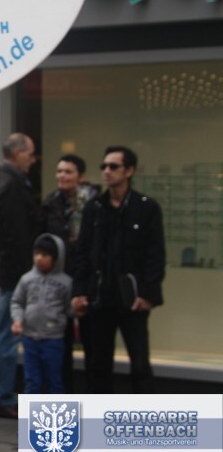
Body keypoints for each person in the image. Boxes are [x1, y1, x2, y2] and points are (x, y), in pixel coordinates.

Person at [71, 145, 165, 394]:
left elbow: (155, 255)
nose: (107, 171)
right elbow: (82, 253)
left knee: (140, 365)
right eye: (104, 166)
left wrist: (147, 293)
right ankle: (100, 415)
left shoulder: (146, 208)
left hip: (132, 299)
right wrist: (79, 292)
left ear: (129, 171)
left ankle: (144, 415)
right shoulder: (94, 207)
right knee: (98, 365)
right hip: (100, 298)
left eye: (113, 166)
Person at [0, 132, 38, 418]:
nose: (33, 159)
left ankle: (0, 394)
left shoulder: (4, 181)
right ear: (17, 153)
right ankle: (0, 396)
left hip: (11, 270)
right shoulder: (11, 185)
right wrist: (29, 273)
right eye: (30, 154)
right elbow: (18, 235)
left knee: (6, 331)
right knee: (8, 332)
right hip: (16, 272)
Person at [37, 153, 97, 390]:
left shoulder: (94, 204)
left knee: (93, 342)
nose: (62, 176)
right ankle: (64, 396)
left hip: (87, 279)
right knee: (61, 344)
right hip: (58, 281)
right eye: (59, 171)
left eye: (68, 172)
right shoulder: (50, 203)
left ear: (80, 177)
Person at [11, 234, 72, 394]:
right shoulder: (26, 279)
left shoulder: (66, 282)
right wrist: (18, 320)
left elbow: (69, 309)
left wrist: (77, 309)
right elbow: (17, 302)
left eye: (44, 255)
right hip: (30, 338)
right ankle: (32, 410)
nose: (39, 258)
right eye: (36, 254)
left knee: (54, 380)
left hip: (53, 340)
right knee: (32, 381)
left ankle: (55, 410)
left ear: (56, 258)